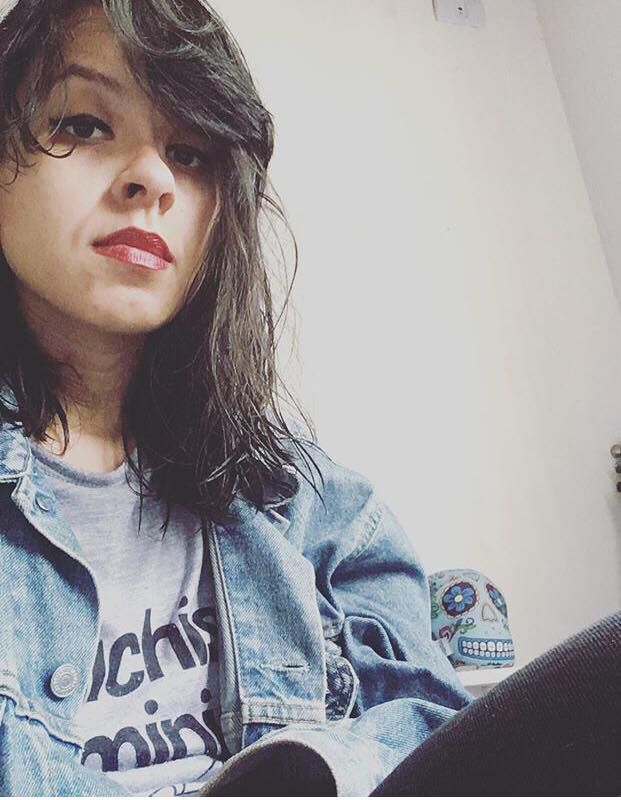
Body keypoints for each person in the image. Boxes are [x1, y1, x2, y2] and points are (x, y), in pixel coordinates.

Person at [0, 1, 619, 798]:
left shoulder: (317, 509)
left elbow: (433, 733)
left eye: (191, 153)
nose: (152, 177)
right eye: (84, 124)